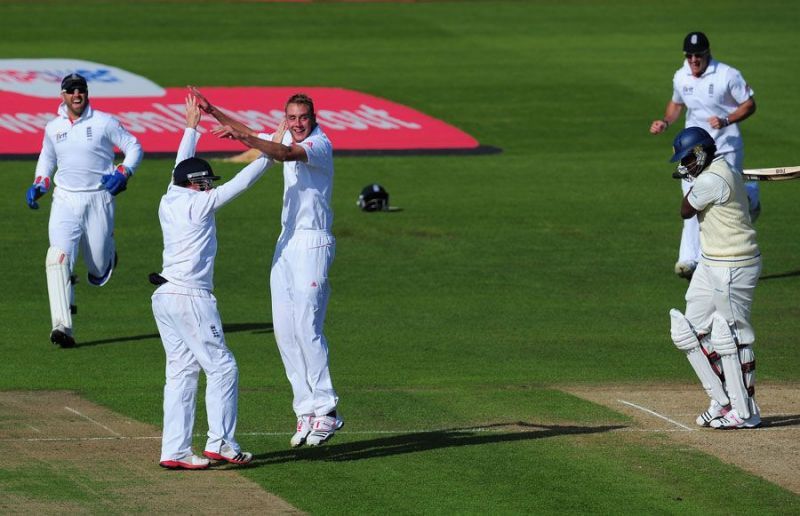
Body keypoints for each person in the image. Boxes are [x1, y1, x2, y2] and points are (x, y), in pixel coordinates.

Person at [189, 86, 343, 447]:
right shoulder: (286, 132)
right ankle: (305, 410)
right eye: (292, 118)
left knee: (307, 326)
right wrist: (213, 112)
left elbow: (284, 152)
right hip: (287, 242)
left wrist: (246, 137)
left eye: (303, 118)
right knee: (285, 330)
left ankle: (327, 410)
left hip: (313, 241)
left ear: (313, 118)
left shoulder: (319, 145)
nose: (297, 124)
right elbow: (262, 136)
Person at [152, 95, 272, 470]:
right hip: (191, 297)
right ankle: (221, 443)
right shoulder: (201, 203)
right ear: (199, 185)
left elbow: (180, 167)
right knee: (222, 368)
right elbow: (241, 183)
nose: (209, 188)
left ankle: (174, 450)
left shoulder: (169, 197)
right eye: (206, 183)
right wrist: (272, 153)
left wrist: (192, 126)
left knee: (182, 371)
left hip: (165, 296)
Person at [26, 73, 143, 348]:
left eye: (80, 90)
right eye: (71, 91)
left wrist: (124, 172)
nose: (76, 95)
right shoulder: (53, 127)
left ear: (86, 93)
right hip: (65, 199)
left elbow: (133, 147)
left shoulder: (104, 122)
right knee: (57, 257)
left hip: (98, 198)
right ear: (62, 95)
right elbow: (47, 156)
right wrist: (40, 181)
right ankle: (62, 326)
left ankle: (107, 256)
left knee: (98, 270)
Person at [667, 127, 761, 430]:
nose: (686, 164)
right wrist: (690, 178)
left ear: (703, 152)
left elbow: (685, 211)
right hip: (711, 260)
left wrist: (690, 182)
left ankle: (745, 412)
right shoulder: (721, 170)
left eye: (689, 158)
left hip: (734, 262)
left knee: (733, 335)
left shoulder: (710, 180)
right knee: (689, 330)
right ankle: (721, 398)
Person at [650, 31, 758, 280]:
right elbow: (677, 103)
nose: (693, 60)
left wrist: (726, 119)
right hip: (693, 151)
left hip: (724, 147)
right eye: (689, 56)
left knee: (727, 198)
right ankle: (689, 260)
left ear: (707, 53)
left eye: (698, 55)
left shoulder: (727, 75)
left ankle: (751, 194)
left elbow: (750, 104)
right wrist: (666, 122)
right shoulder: (681, 76)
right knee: (694, 198)